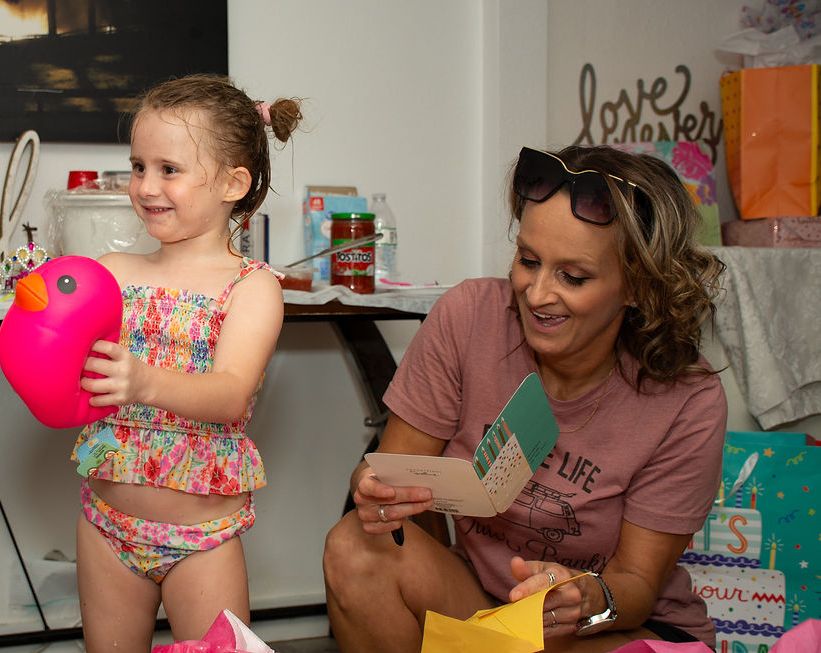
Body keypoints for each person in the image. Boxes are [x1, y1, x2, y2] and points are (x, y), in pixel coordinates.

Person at [323, 145, 728, 652]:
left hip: (607, 627)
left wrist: (586, 598)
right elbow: (396, 470)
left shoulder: (687, 399)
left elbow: (638, 587)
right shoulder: (469, 319)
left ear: (638, 289)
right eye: (528, 260)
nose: (536, 294)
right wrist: (374, 488)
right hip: (485, 601)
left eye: (573, 277)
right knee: (353, 548)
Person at [72, 74, 303, 651]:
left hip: (201, 538)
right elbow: (71, 372)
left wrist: (144, 379)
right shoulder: (114, 272)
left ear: (233, 182)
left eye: (169, 169)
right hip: (105, 524)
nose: (146, 186)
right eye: (138, 166)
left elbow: (228, 395)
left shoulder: (252, 288)